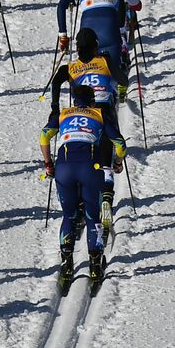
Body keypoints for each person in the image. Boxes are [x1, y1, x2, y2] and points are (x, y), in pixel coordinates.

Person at [42, 79, 126, 289]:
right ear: (91, 101)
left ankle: (67, 263)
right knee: (92, 217)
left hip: (64, 167)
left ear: (74, 100)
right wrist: (117, 162)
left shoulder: (63, 114)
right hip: (91, 167)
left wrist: (48, 164)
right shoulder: (98, 114)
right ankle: (95, 264)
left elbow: (44, 136)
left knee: (69, 216)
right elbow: (120, 143)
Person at [49, 27, 127, 228]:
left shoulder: (70, 66)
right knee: (106, 157)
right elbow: (123, 78)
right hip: (103, 110)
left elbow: (55, 82)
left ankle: (80, 203)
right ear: (95, 47)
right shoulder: (104, 60)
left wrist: (55, 107)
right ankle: (107, 199)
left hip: (80, 111)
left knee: (86, 154)